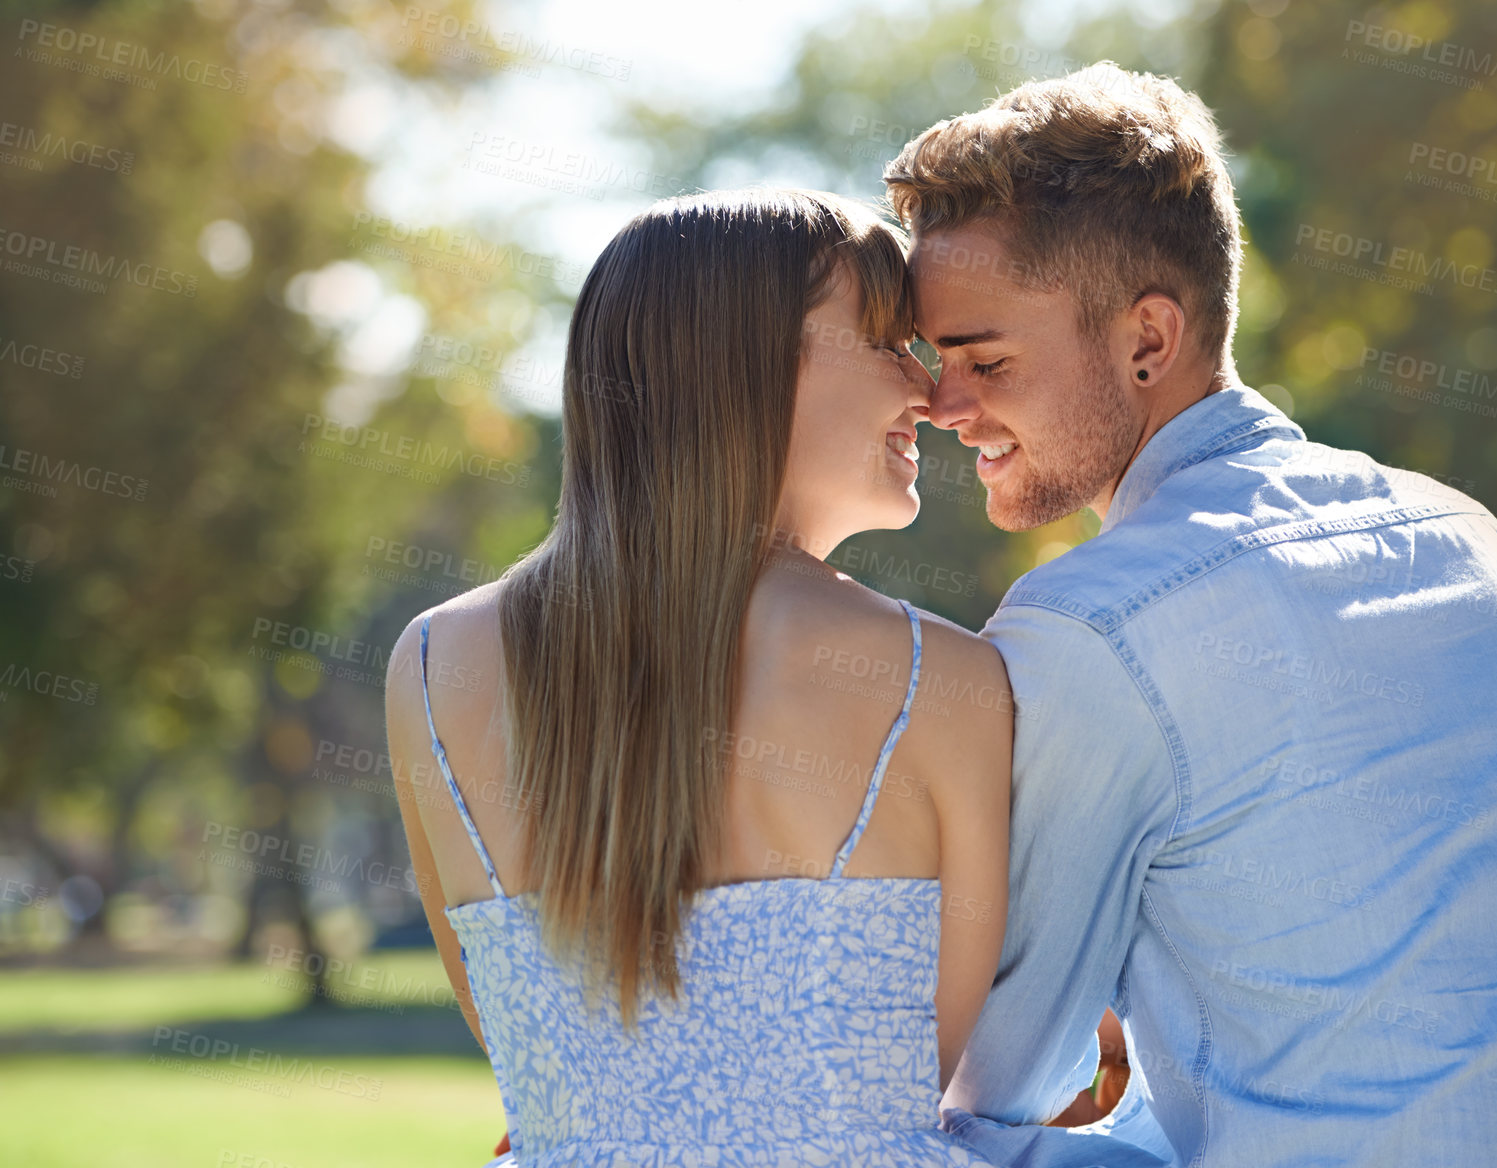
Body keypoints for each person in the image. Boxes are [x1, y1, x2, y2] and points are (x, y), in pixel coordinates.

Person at [882, 64, 1497, 1166]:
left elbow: (994, 1073)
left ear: (1146, 341)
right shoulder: (1472, 540)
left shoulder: (1089, 627)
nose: (940, 406)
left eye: (983, 358)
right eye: (932, 364)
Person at [383, 188, 1154, 1167]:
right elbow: (940, 1071)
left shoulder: (427, 666)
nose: (927, 388)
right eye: (884, 341)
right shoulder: (941, 678)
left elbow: (521, 1050)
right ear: (745, 365)